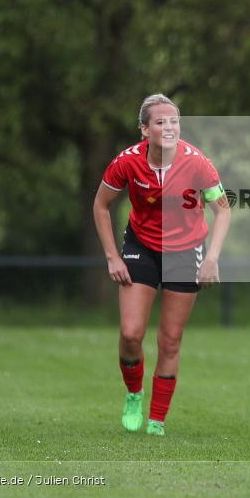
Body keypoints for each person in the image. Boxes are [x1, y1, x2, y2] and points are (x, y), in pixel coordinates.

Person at [92, 94, 231, 436]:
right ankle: (134, 394)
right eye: (160, 122)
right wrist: (112, 257)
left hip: (186, 252)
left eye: (174, 121)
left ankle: (156, 420)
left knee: (170, 340)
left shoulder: (198, 163)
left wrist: (211, 257)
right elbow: (100, 205)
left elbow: (223, 209)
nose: (169, 127)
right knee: (130, 334)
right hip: (142, 245)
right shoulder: (127, 162)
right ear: (144, 130)